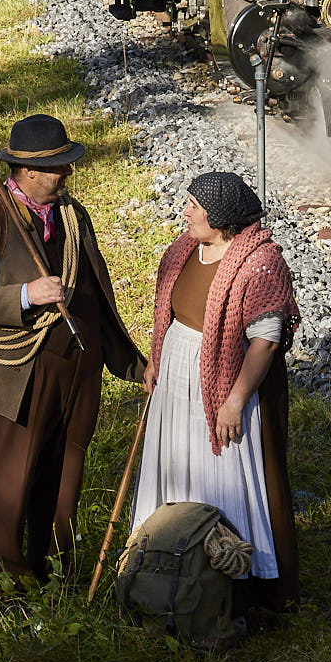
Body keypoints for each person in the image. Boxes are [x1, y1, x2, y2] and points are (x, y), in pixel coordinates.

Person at [0, 112, 146, 585]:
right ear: (27, 171)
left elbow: (96, 297)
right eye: (57, 167)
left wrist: (135, 367)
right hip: (17, 375)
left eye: (67, 164)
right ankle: (2, 578)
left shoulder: (73, 216)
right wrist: (26, 295)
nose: (66, 174)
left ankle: (53, 568)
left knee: (64, 474)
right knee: (8, 479)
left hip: (77, 369)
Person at [132, 169, 300, 612]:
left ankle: (232, 581)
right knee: (178, 464)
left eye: (195, 207)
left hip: (225, 387)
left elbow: (264, 343)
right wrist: (157, 360)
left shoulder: (259, 265)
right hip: (178, 381)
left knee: (222, 478)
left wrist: (235, 400)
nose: (186, 211)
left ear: (221, 216)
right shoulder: (184, 250)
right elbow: (167, 314)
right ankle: (169, 559)